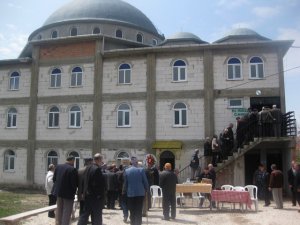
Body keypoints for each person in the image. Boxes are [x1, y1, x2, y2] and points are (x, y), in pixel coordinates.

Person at [77, 153, 106, 225]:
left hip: (87, 195)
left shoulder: (88, 168)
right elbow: (98, 185)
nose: (102, 161)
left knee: (84, 215)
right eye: (101, 159)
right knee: (97, 217)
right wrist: (100, 196)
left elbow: (84, 181)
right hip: (95, 198)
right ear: (99, 159)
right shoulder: (97, 169)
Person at [53, 155, 78, 225]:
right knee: (67, 211)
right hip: (68, 194)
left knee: (59, 209)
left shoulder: (58, 167)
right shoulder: (72, 169)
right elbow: (74, 183)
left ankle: (58, 223)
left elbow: (54, 179)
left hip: (58, 192)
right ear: (72, 160)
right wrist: (74, 191)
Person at [123, 156, 149, 225]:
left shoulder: (127, 171)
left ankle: (133, 223)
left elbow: (125, 183)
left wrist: (124, 192)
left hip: (130, 193)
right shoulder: (141, 170)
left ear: (131, 162)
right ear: (137, 162)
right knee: (138, 211)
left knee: (132, 211)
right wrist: (147, 190)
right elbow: (145, 182)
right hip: (140, 193)